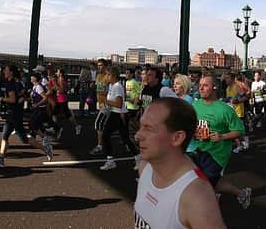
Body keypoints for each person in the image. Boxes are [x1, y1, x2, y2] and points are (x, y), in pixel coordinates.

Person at [135, 98, 226, 228]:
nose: (138, 135)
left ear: (177, 138)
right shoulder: (145, 168)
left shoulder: (196, 196)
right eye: (141, 126)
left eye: (148, 129)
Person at [191, 74, 252, 209]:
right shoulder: (195, 105)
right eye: (200, 86)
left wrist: (221, 136)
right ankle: (241, 193)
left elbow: (240, 130)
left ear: (214, 87)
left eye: (205, 86)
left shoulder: (225, 110)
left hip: (216, 155)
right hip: (198, 150)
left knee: (203, 187)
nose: (200, 88)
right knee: (209, 182)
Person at [0, 65, 53, 168]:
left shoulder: (11, 84)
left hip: (14, 114)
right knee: (5, 136)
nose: (4, 72)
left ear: (11, 72)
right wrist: (22, 98)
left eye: (6, 70)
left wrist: (2, 99)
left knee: (23, 139)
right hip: (14, 114)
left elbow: (13, 99)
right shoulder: (18, 82)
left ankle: (46, 149)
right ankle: (1, 160)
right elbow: (23, 94)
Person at [100, 66, 140, 171]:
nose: (106, 77)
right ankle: (138, 158)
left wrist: (105, 101)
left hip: (119, 115)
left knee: (106, 136)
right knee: (125, 138)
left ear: (113, 75)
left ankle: (111, 161)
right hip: (117, 114)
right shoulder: (111, 86)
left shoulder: (117, 86)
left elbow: (119, 103)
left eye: (108, 75)